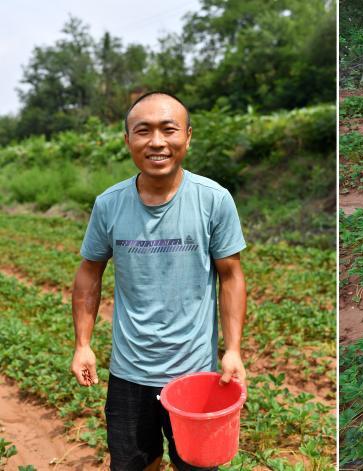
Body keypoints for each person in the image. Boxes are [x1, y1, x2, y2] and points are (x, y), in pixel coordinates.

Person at [70, 91, 248, 471]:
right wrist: (83, 344)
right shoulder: (109, 204)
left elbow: (230, 274)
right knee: (135, 464)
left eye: (168, 130)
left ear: (187, 136)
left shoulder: (213, 200)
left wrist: (232, 350)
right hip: (129, 373)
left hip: (195, 374)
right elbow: (89, 271)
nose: (156, 142)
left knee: (197, 464)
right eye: (143, 131)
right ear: (127, 140)